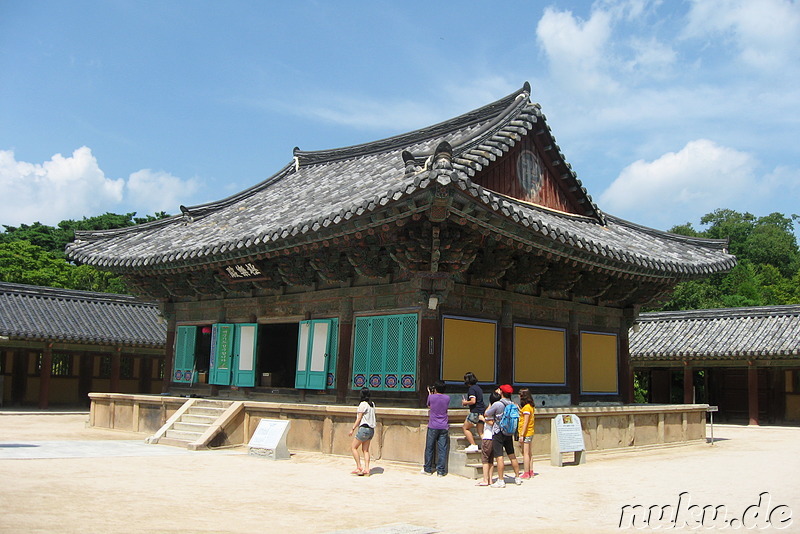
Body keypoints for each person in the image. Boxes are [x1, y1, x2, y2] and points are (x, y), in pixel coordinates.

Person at [484, 384, 522, 487]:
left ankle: (501, 480)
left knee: (499, 456)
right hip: (508, 432)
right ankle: (517, 477)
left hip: (498, 431)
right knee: (512, 455)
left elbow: (487, 413)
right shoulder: (513, 404)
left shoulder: (498, 404)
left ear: (501, 392)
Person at [422, 380, 450, 477]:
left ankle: (428, 468)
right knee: (442, 449)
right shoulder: (447, 398)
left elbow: (429, 405)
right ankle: (441, 471)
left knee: (429, 448)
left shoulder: (431, 397)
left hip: (433, 425)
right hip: (443, 425)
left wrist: (430, 393)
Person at [348, 387, 376, 476]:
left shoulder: (363, 404)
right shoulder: (372, 404)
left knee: (353, 447)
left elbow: (359, 418)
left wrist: (352, 428)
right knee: (365, 450)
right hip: (371, 430)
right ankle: (367, 469)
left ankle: (359, 466)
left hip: (364, 428)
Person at [476, 390, 501, 486]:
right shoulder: (499, 409)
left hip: (488, 437)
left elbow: (491, 422)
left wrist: (483, 419)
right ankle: (490, 479)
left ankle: (485, 479)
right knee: (491, 460)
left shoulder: (490, 411)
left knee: (485, 459)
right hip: (495, 437)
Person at [461, 372, 485, 453]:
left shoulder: (471, 389)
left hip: (475, 411)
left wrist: (465, 403)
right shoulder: (478, 388)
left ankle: (473, 444)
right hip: (482, 411)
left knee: (465, 428)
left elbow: (473, 401)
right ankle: (487, 445)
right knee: (480, 431)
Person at [517, 387, 535, 479]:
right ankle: (531, 471)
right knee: (529, 453)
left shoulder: (527, 408)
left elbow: (525, 422)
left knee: (526, 453)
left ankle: (526, 472)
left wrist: (521, 435)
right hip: (530, 432)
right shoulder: (529, 407)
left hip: (526, 433)